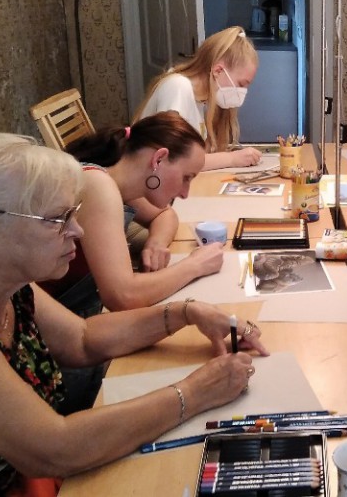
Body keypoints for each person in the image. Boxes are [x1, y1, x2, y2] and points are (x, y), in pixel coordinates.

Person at [0, 134, 268, 496]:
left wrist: (187, 312)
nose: (77, 229)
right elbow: (55, 449)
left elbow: (82, 339)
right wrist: (196, 392)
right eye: (57, 219)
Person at [41, 112, 226, 413]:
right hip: (55, 346)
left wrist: (156, 242)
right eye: (186, 177)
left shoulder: (122, 180)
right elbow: (123, 296)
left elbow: (165, 214)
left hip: (84, 327)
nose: (185, 193)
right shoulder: (97, 185)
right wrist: (195, 265)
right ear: (159, 159)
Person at [134, 26, 262, 171]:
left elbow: (193, 156)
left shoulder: (199, 100)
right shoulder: (178, 87)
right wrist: (232, 159)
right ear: (218, 71)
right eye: (241, 84)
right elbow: (173, 160)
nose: (242, 92)